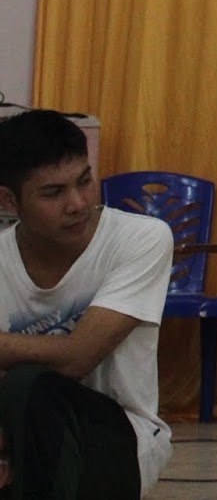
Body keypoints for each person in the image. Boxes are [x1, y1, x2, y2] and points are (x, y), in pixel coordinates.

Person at [0, 110, 174, 499]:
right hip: (18, 434)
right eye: (53, 193)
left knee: (30, 384)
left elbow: (77, 357)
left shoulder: (140, 239)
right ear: (8, 199)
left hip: (119, 438)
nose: (77, 204)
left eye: (84, 181)